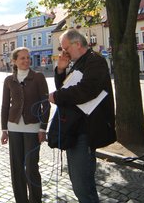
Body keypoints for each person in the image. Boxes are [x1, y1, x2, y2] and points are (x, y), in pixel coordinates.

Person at [48, 29, 116, 203]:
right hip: (74, 128)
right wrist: (61, 70)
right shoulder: (79, 63)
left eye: (65, 48)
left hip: (86, 130)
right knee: (78, 182)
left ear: (77, 44)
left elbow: (86, 90)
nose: (64, 53)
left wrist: (57, 97)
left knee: (82, 184)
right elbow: (65, 89)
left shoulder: (95, 61)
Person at [1, 47, 50, 203]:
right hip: (13, 127)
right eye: (22, 58)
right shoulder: (9, 80)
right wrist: (4, 129)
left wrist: (43, 128)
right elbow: (4, 106)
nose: (26, 60)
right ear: (14, 61)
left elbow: (46, 105)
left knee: (31, 167)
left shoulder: (38, 77)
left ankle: (35, 200)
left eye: (28, 57)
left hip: (33, 128)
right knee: (16, 168)